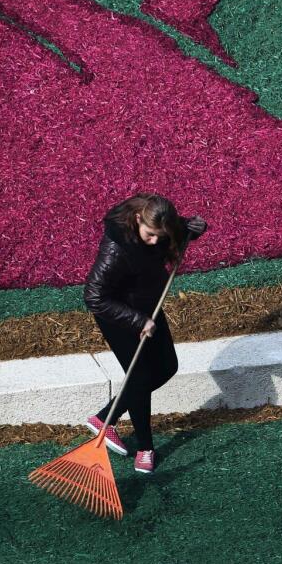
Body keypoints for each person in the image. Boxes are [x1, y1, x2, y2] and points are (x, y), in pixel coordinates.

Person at [82, 193, 206, 474]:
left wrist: (196, 228)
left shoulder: (161, 226)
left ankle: (105, 418)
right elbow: (93, 296)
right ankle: (145, 448)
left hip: (150, 307)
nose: (154, 241)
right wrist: (137, 321)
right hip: (120, 316)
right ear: (138, 219)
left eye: (159, 236)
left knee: (166, 367)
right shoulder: (116, 246)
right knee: (139, 377)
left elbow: (184, 229)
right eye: (150, 235)